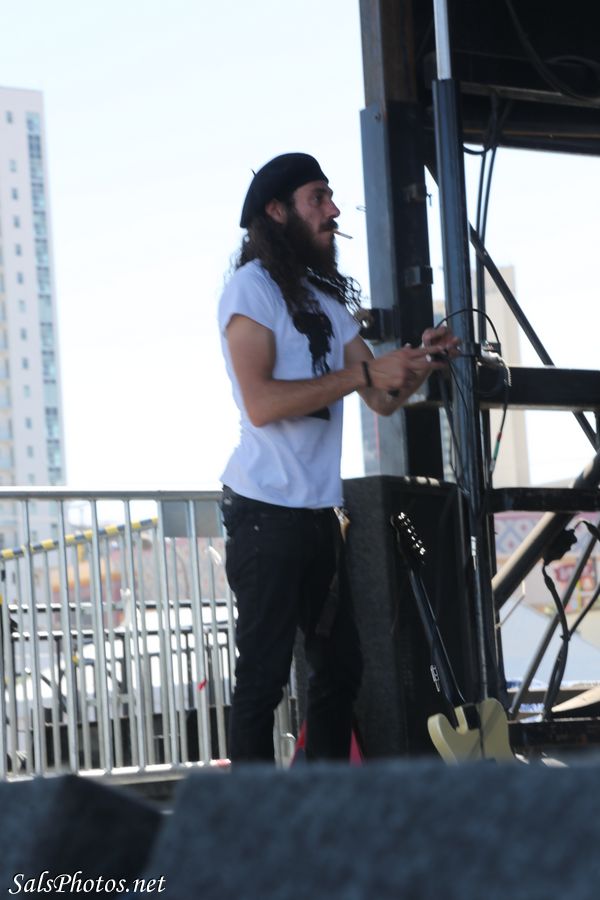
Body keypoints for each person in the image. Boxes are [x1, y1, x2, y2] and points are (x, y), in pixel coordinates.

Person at [218, 152, 458, 763]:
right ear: (277, 212)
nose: (333, 211)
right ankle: (250, 812)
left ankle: (321, 800)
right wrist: (364, 373)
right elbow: (263, 404)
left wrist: (421, 362)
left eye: (330, 198)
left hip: (319, 516)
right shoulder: (250, 290)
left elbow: (381, 399)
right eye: (318, 198)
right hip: (263, 512)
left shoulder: (325, 298)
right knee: (264, 678)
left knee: (341, 669)